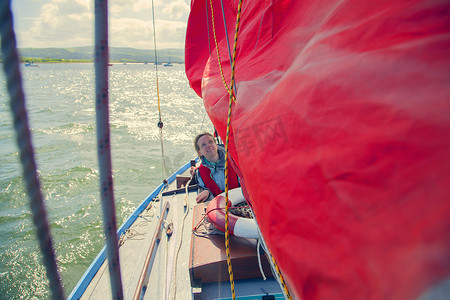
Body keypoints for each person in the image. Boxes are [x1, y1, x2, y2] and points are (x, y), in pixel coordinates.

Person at [192, 132, 240, 203]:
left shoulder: (233, 161)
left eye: (210, 142)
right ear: (200, 152)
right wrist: (207, 192)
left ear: (216, 145)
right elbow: (204, 188)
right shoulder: (200, 173)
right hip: (219, 205)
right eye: (203, 144)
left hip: (239, 199)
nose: (208, 145)